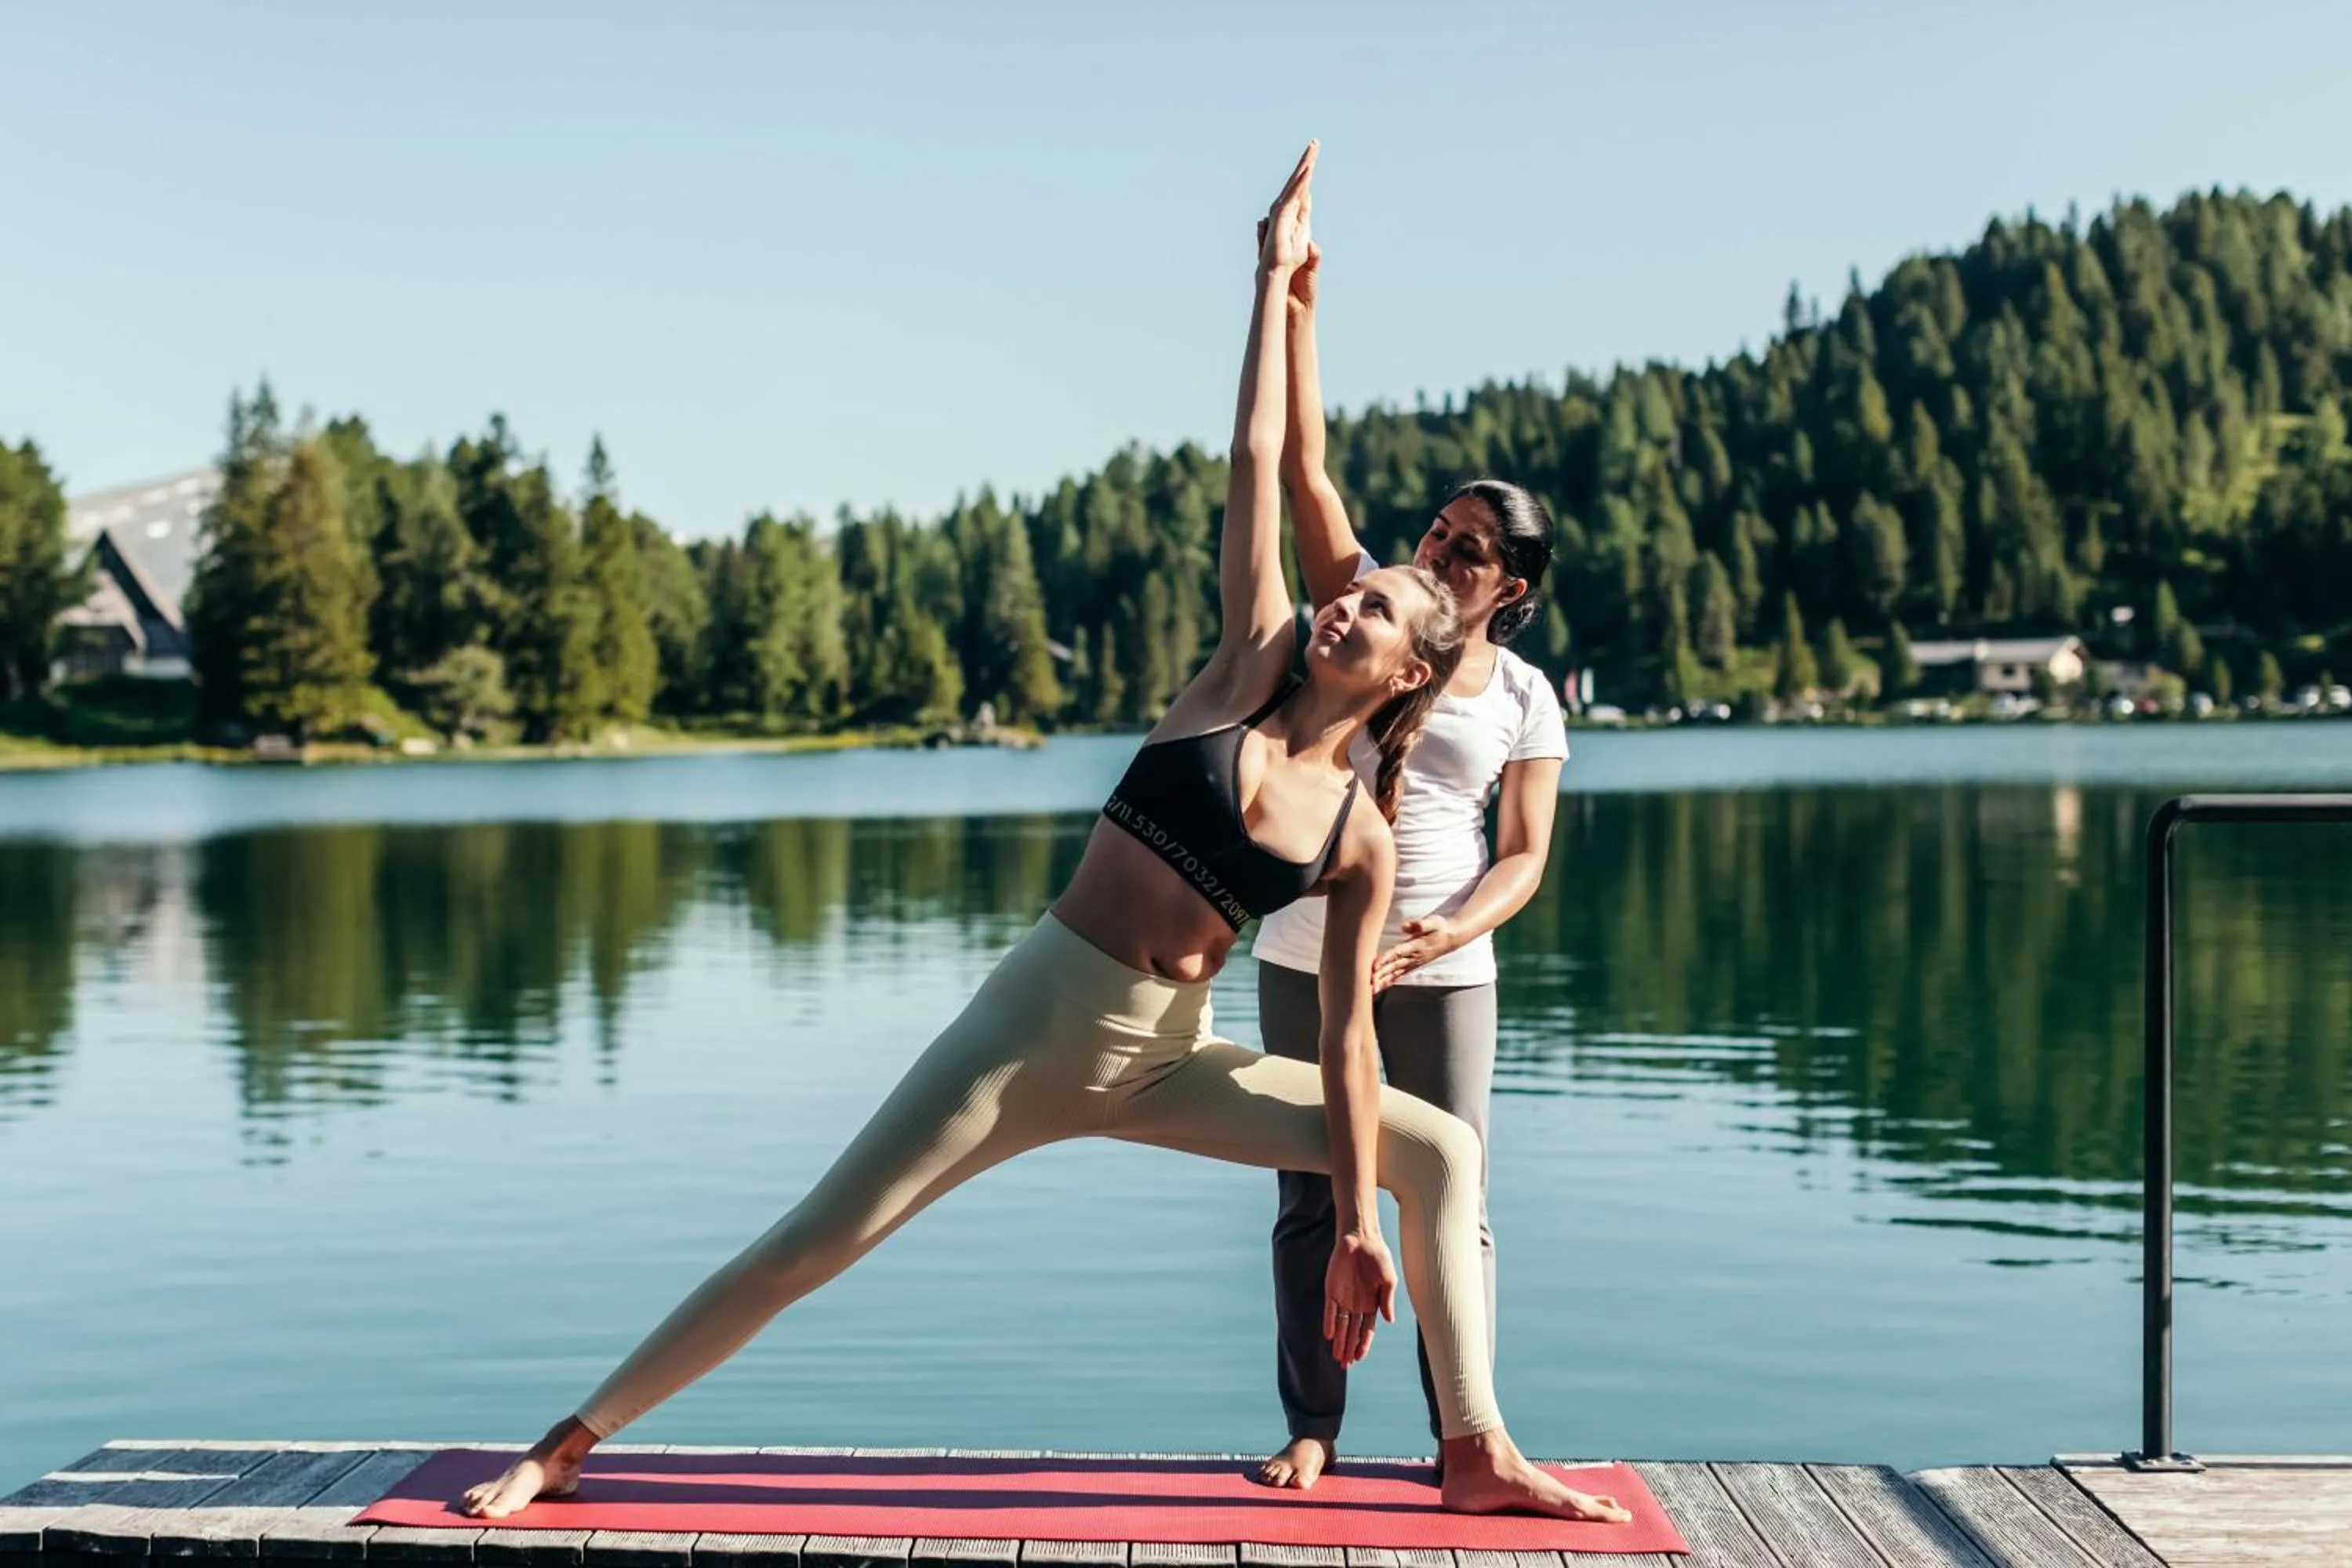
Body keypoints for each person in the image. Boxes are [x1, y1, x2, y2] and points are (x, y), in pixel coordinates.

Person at [456, 143, 1628, 1528]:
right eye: (1349, 591)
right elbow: (1262, 459)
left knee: (1441, 1153)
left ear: (1409, 670)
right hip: (1032, 1028)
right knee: (817, 1240)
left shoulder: (1360, 835)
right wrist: (1272, 283)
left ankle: (1477, 1448)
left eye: (1373, 609)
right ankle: (567, 1443)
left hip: (1168, 1060)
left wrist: (1359, 1225)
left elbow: (1351, 1046)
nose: (1344, 604)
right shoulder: (1242, 668)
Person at [1248, 220, 1570, 1492]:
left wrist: (1447, 932)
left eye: (1467, 549)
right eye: (1438, 530)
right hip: (1303, 948)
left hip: (1441, 973)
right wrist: (1299, 310)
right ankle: (1314, 1426)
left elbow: (1523, 853)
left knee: (1452, 1202)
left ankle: (1464, 1437)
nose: (1437, 551)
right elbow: (1305, 472)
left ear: (1511, 588)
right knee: (1308, 1198)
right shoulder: (1370, 615)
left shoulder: (1524, 697)